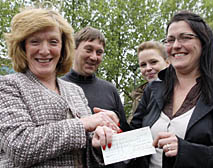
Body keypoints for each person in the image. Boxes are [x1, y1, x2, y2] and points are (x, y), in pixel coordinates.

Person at [0, 8, 121, 167]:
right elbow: (19, 146)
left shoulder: (75, 91)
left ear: (64, 47)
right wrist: (84, 124)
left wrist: (98, 143)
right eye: (35, 41)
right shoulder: (8, 85)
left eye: (53, 42)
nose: (44, 51)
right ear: (23, 47)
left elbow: (85, 153)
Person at [129, 10, 213, 168]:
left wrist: (187, 151)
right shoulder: (153, 89)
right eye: (170, 40)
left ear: (204, 42)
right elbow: (134, 135)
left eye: (185, 38)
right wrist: (112, 128)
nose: (176, 46)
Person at [61, 26, 129, 168]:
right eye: (88, 49)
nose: (94, 57)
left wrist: (117, 123)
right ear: (74, 49)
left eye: (99, 52)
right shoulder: (57, 87)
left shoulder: (109, 90)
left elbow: (126, 135)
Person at [128, 41, 169, 122]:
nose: (148, 68)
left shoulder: (179, 90)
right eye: (143, 65)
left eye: (153, 62)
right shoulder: (139, 97)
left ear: (167, 63)